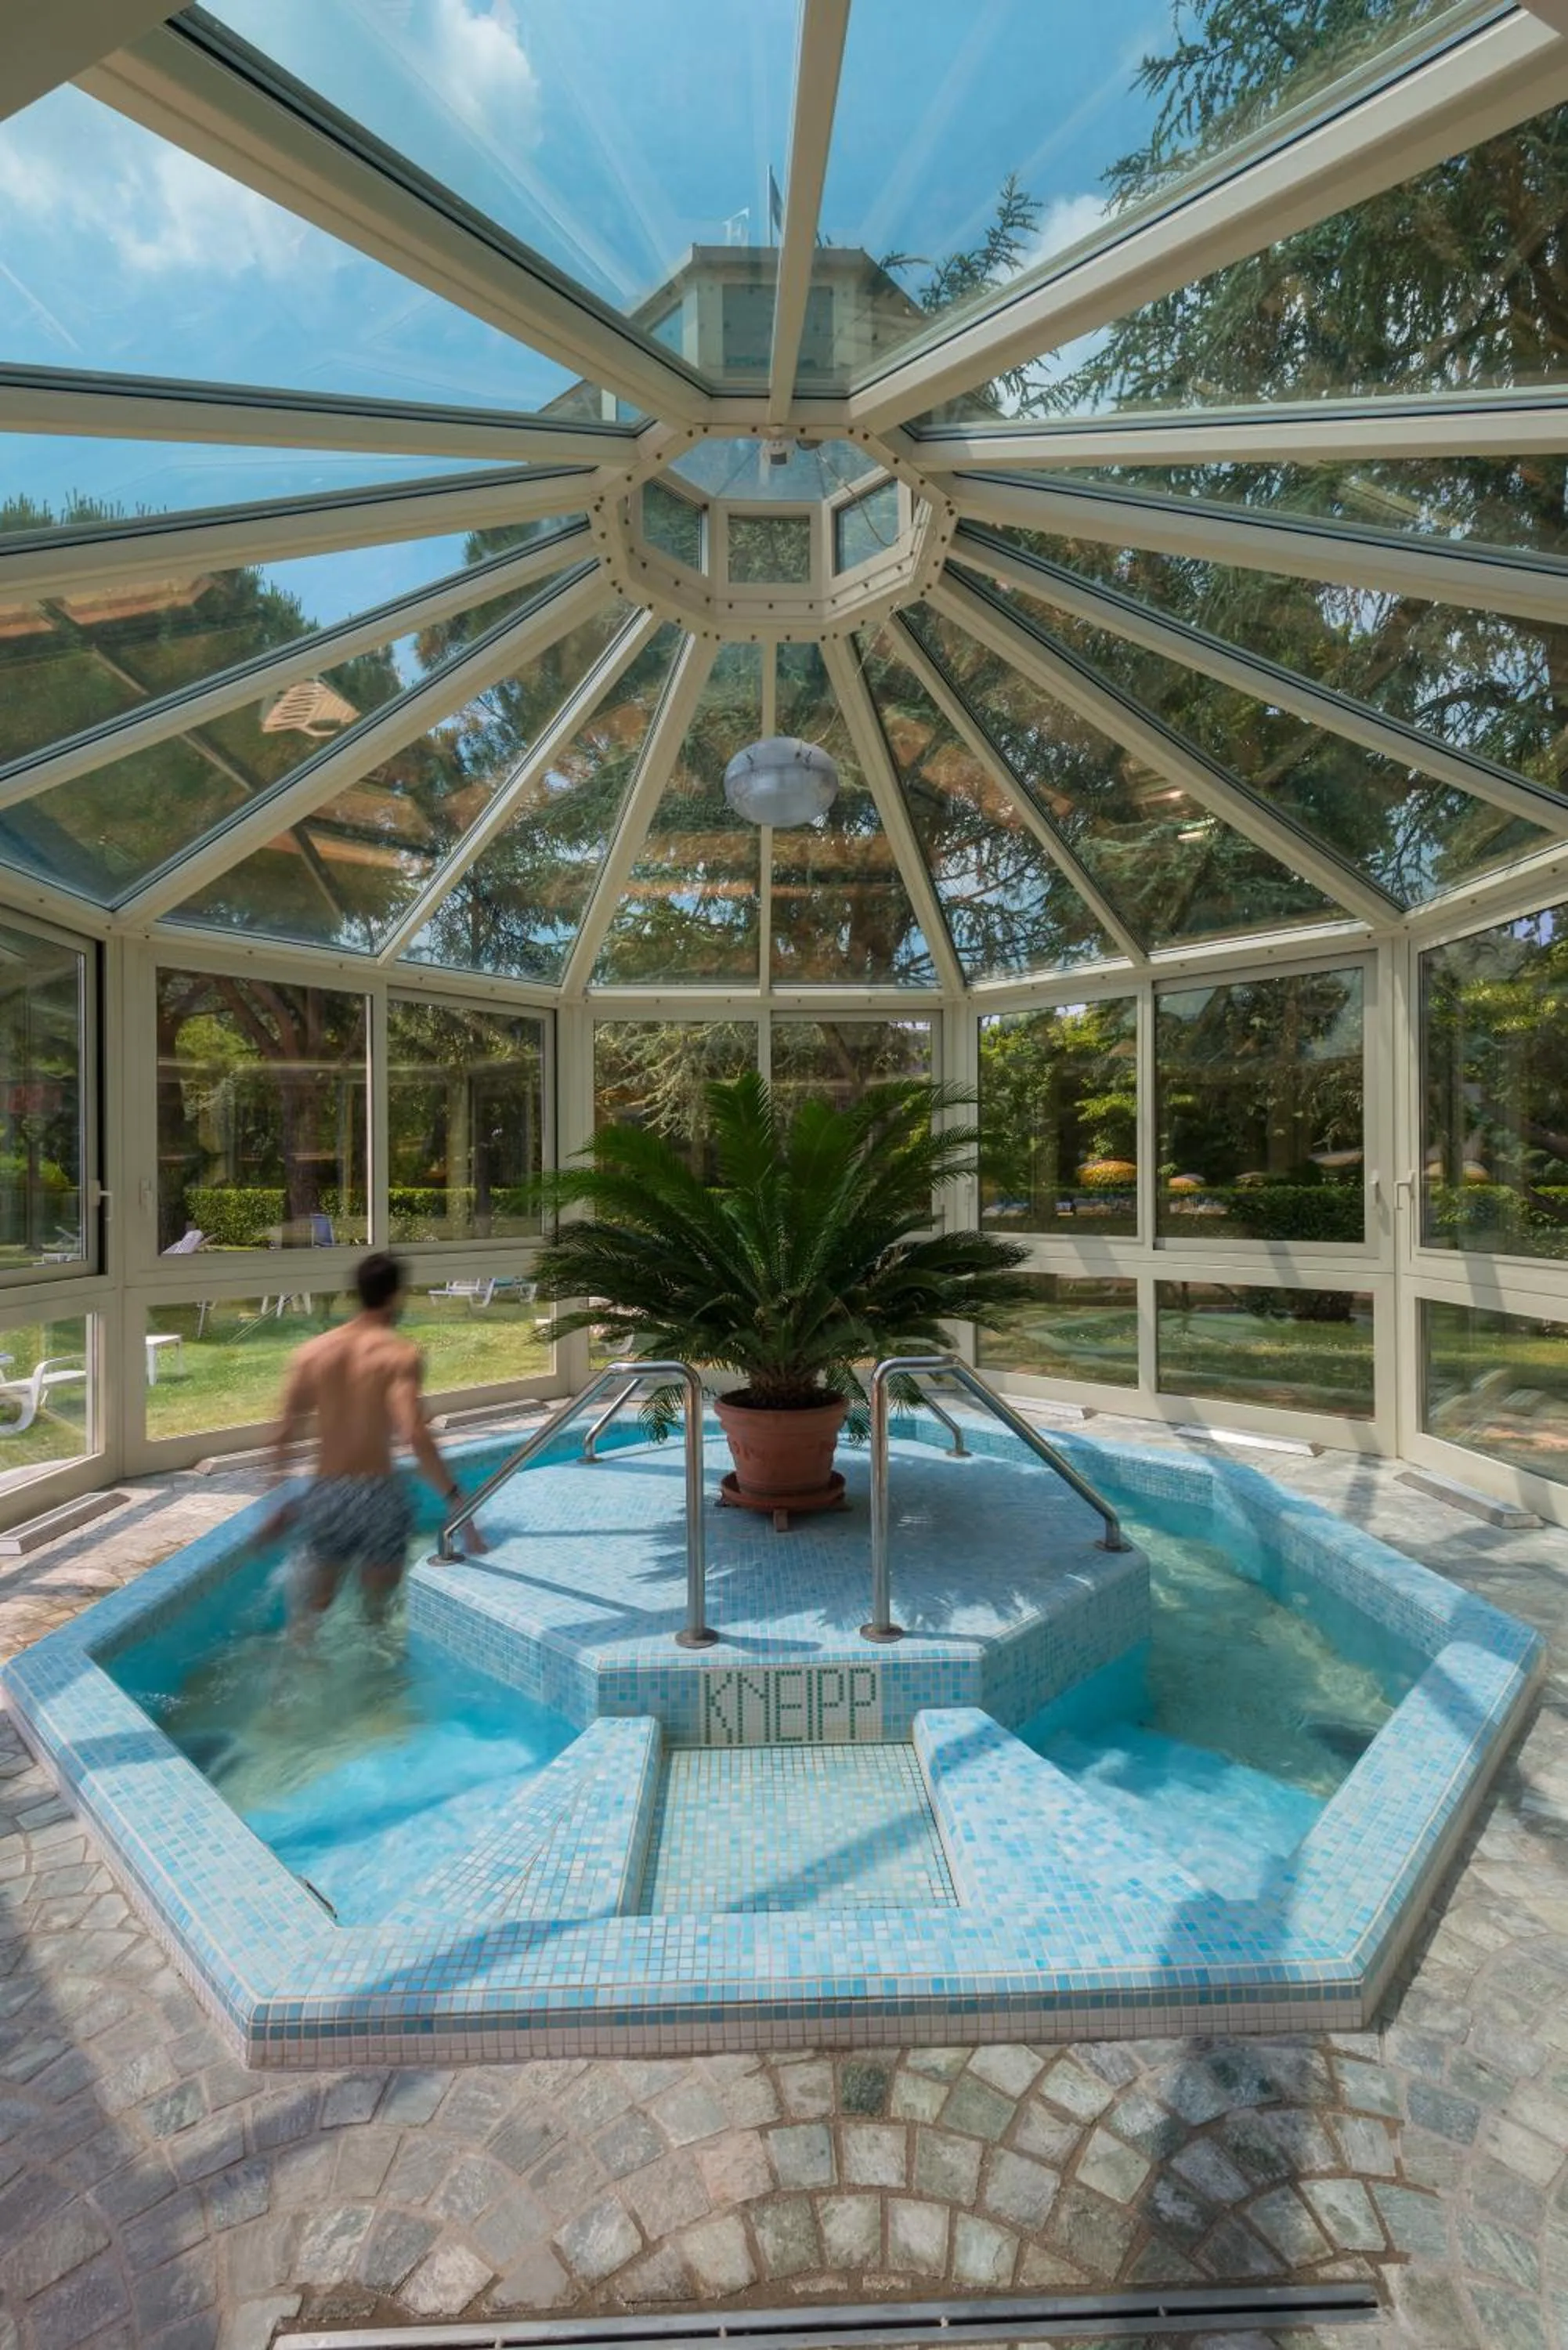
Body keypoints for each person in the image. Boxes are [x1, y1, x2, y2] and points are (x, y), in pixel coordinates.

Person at [262, 1250, 485, 1633]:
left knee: (312, 1613)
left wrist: (277, 1502)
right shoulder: (398, 1354)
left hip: (327, 1494)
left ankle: (297, 1672)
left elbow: (284, 1431)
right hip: (378, 1495)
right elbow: (414, 1433)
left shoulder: (312, 1353)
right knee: (377, 1615)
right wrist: (455, 1500)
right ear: (396, 1295)